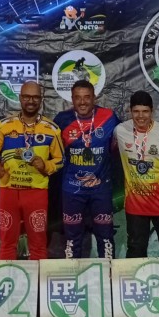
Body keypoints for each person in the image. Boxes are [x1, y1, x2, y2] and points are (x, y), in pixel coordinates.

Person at [0, 81, 64, 260]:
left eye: (35, 97)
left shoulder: (52, 129)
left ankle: (37, 278)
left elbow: (61, 160)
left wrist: (46, 166)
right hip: (8, 191)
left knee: (38, 244)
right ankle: (5, 277)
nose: (31, 101)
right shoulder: (4, 125)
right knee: (7, 243)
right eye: (27, 97)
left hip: (36, 192)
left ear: (41, 100)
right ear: (20, 98)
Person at [114, 90, 159, 258]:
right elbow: (113, 155)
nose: (141, 116)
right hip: (135, 204)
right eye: (136, 111)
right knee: (136, 249)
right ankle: (134, 277)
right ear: (130, 111)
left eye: (145, 111)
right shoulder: (120, 131)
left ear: (152, 111)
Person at [54, 80, 120, 259]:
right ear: (72, 99)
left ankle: (108, 272)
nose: (82, 102)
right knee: (72, 239)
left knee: (105, 236)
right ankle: (71, 272)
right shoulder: (62, 120)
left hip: (101, 188)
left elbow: (124, 139)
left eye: (87, 97)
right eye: (78, 98)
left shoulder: (109, 117)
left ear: (94, 98)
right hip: (72, 189)